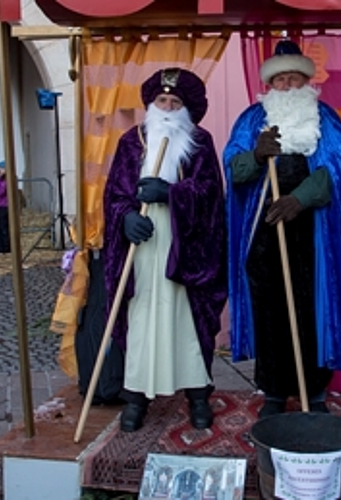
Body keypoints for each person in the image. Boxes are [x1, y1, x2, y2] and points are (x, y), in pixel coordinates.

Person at [223, 40, 341, 418]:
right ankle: (275, 391)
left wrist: (301, 198)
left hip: (313, 233)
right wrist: (256, 155)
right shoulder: (252, 120)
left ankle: (314, 392)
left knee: (312, 307)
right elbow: (233, 167)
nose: (287, 86)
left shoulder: (324, 118)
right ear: (270, 84)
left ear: (306, 81)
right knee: (270, 311)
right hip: (264, 232)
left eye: (294, 78)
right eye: (280, 79)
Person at [103, 67, 227, 432]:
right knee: (141, 320)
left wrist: (172, 194)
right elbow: (114, 195)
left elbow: (210, 195)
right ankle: (136, 398)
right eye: (162, 101)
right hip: (141, 251)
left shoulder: (200, 142)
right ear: (151, 104)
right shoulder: (132, 142)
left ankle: (198, 395)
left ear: (185, 108)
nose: (169, 108)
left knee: (184, 321)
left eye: (175, 102)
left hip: (183, 251)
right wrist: (124, 217)